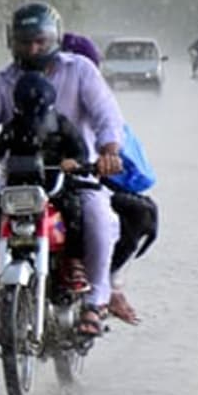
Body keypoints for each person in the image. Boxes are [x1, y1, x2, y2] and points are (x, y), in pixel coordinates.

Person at [0, 2, 124, 339]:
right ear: (12, 42)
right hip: (17, 183)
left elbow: (106, 116)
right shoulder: (4, 81)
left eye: (40, 41)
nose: (32, 49)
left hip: (73, 178)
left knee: (96, 218)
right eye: (24, 41)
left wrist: (108, 153)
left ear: (55, 39)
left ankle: (95, 302)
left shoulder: (80, 70)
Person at [62, 31, 157, 325]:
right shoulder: (27, 94)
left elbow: (132, 167)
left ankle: (105, 284)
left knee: (136, 213)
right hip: (45, 185)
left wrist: (107, 160)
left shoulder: (102, 108)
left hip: (86, 183)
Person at [0, 72, 91, 303]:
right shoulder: (13, 127)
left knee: (74, 209)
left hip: (54, 188)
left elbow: (81, 152)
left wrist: (73, 163)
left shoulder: (61, 124)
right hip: (17, 189)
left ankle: (73, 263)